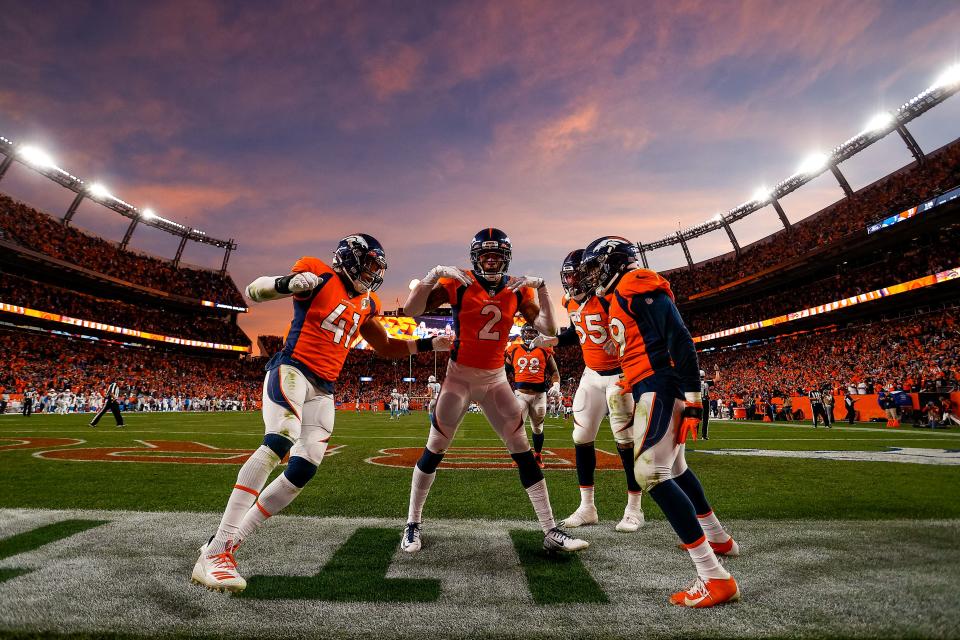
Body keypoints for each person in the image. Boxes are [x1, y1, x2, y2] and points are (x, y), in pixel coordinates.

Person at [191, 233, 452, 593]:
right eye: (370, 264)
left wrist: (427, 343)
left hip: (324, 389)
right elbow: (255, 290)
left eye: (378, 267)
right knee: (279, 440)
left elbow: (387, 346)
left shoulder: (368, 303)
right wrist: (287, 283)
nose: (373, 273)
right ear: (351, 258)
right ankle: (216, 553)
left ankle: (228, 541)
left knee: (302, 468)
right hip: (293, 369)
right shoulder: (318, 274)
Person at [399, 227, 587, 555]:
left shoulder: (516, 289)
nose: (490, 261)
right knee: (434, 450)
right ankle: (412, 523)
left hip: (496, 380)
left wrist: (541, 288)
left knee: (523, 451)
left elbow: (549, 329)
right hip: (458, 378)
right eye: (485, 255)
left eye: (496, 256)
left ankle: (550, 529)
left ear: (506, 258)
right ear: (475, 257)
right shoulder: (458, 282)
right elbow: (412, 310)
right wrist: (433, 275)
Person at [580, 236, 739, 608]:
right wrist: (629, 380)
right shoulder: (620, 294)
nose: (590, 276)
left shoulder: (637, 284)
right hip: (649, 383)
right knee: (676, 467)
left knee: (650, 473)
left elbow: (679, 339)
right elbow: (642, 345)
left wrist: (695, 398)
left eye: (594, 267)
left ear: (612, 263)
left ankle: (713, 576)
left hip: (663, 385)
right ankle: (718, 539)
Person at [532, 248, 644, 533]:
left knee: (625, 441)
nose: (570, 282)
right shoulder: (570, 303)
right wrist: (551, 340)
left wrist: (620, 339)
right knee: (581, 436)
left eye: (574, 276)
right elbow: (575, 333)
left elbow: (634, 325)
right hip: (591, 376)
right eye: (567, 276)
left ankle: (634, 508)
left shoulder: (607, 299)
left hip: (619, 376)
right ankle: (587, 507)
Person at [505, 323, 560, 468]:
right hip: (520, 395)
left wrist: (556, 384)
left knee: (537, 428)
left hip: (539, 396)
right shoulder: (514, 350)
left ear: (537, 334)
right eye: (527, 333)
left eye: (532, 333)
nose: (529, 335)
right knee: (516, 427)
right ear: (522, 334)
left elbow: (554, 371)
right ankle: (519, 456)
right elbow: (504, 371)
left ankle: (538, 455)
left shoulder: (544, 350)